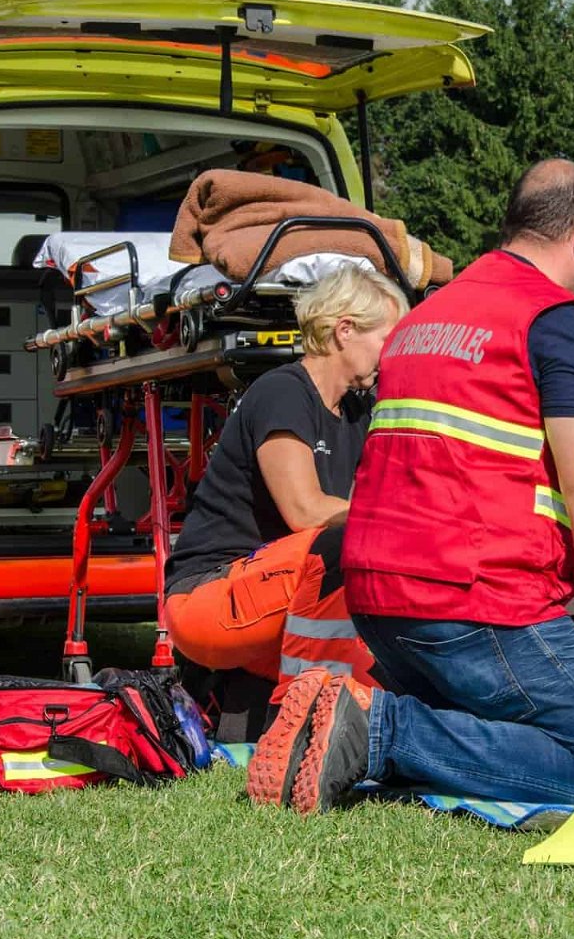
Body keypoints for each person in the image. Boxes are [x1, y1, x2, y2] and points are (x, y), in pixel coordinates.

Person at [250, 159, 574, 814]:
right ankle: (377, 728)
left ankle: (352, 726)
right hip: (476, 594)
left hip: (379, 593)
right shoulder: (557, 318)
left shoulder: (423, 321)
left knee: (496, 739)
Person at [164, 266, 405, 706]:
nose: (390, 356)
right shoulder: (282, 392)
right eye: (386, 340)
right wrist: (402, 519)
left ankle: (338, 713)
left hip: (274, 593)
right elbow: (305, 511)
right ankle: (315, 711)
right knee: (341, 545)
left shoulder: (358, 412)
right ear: (344, 330)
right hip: (208, 597)